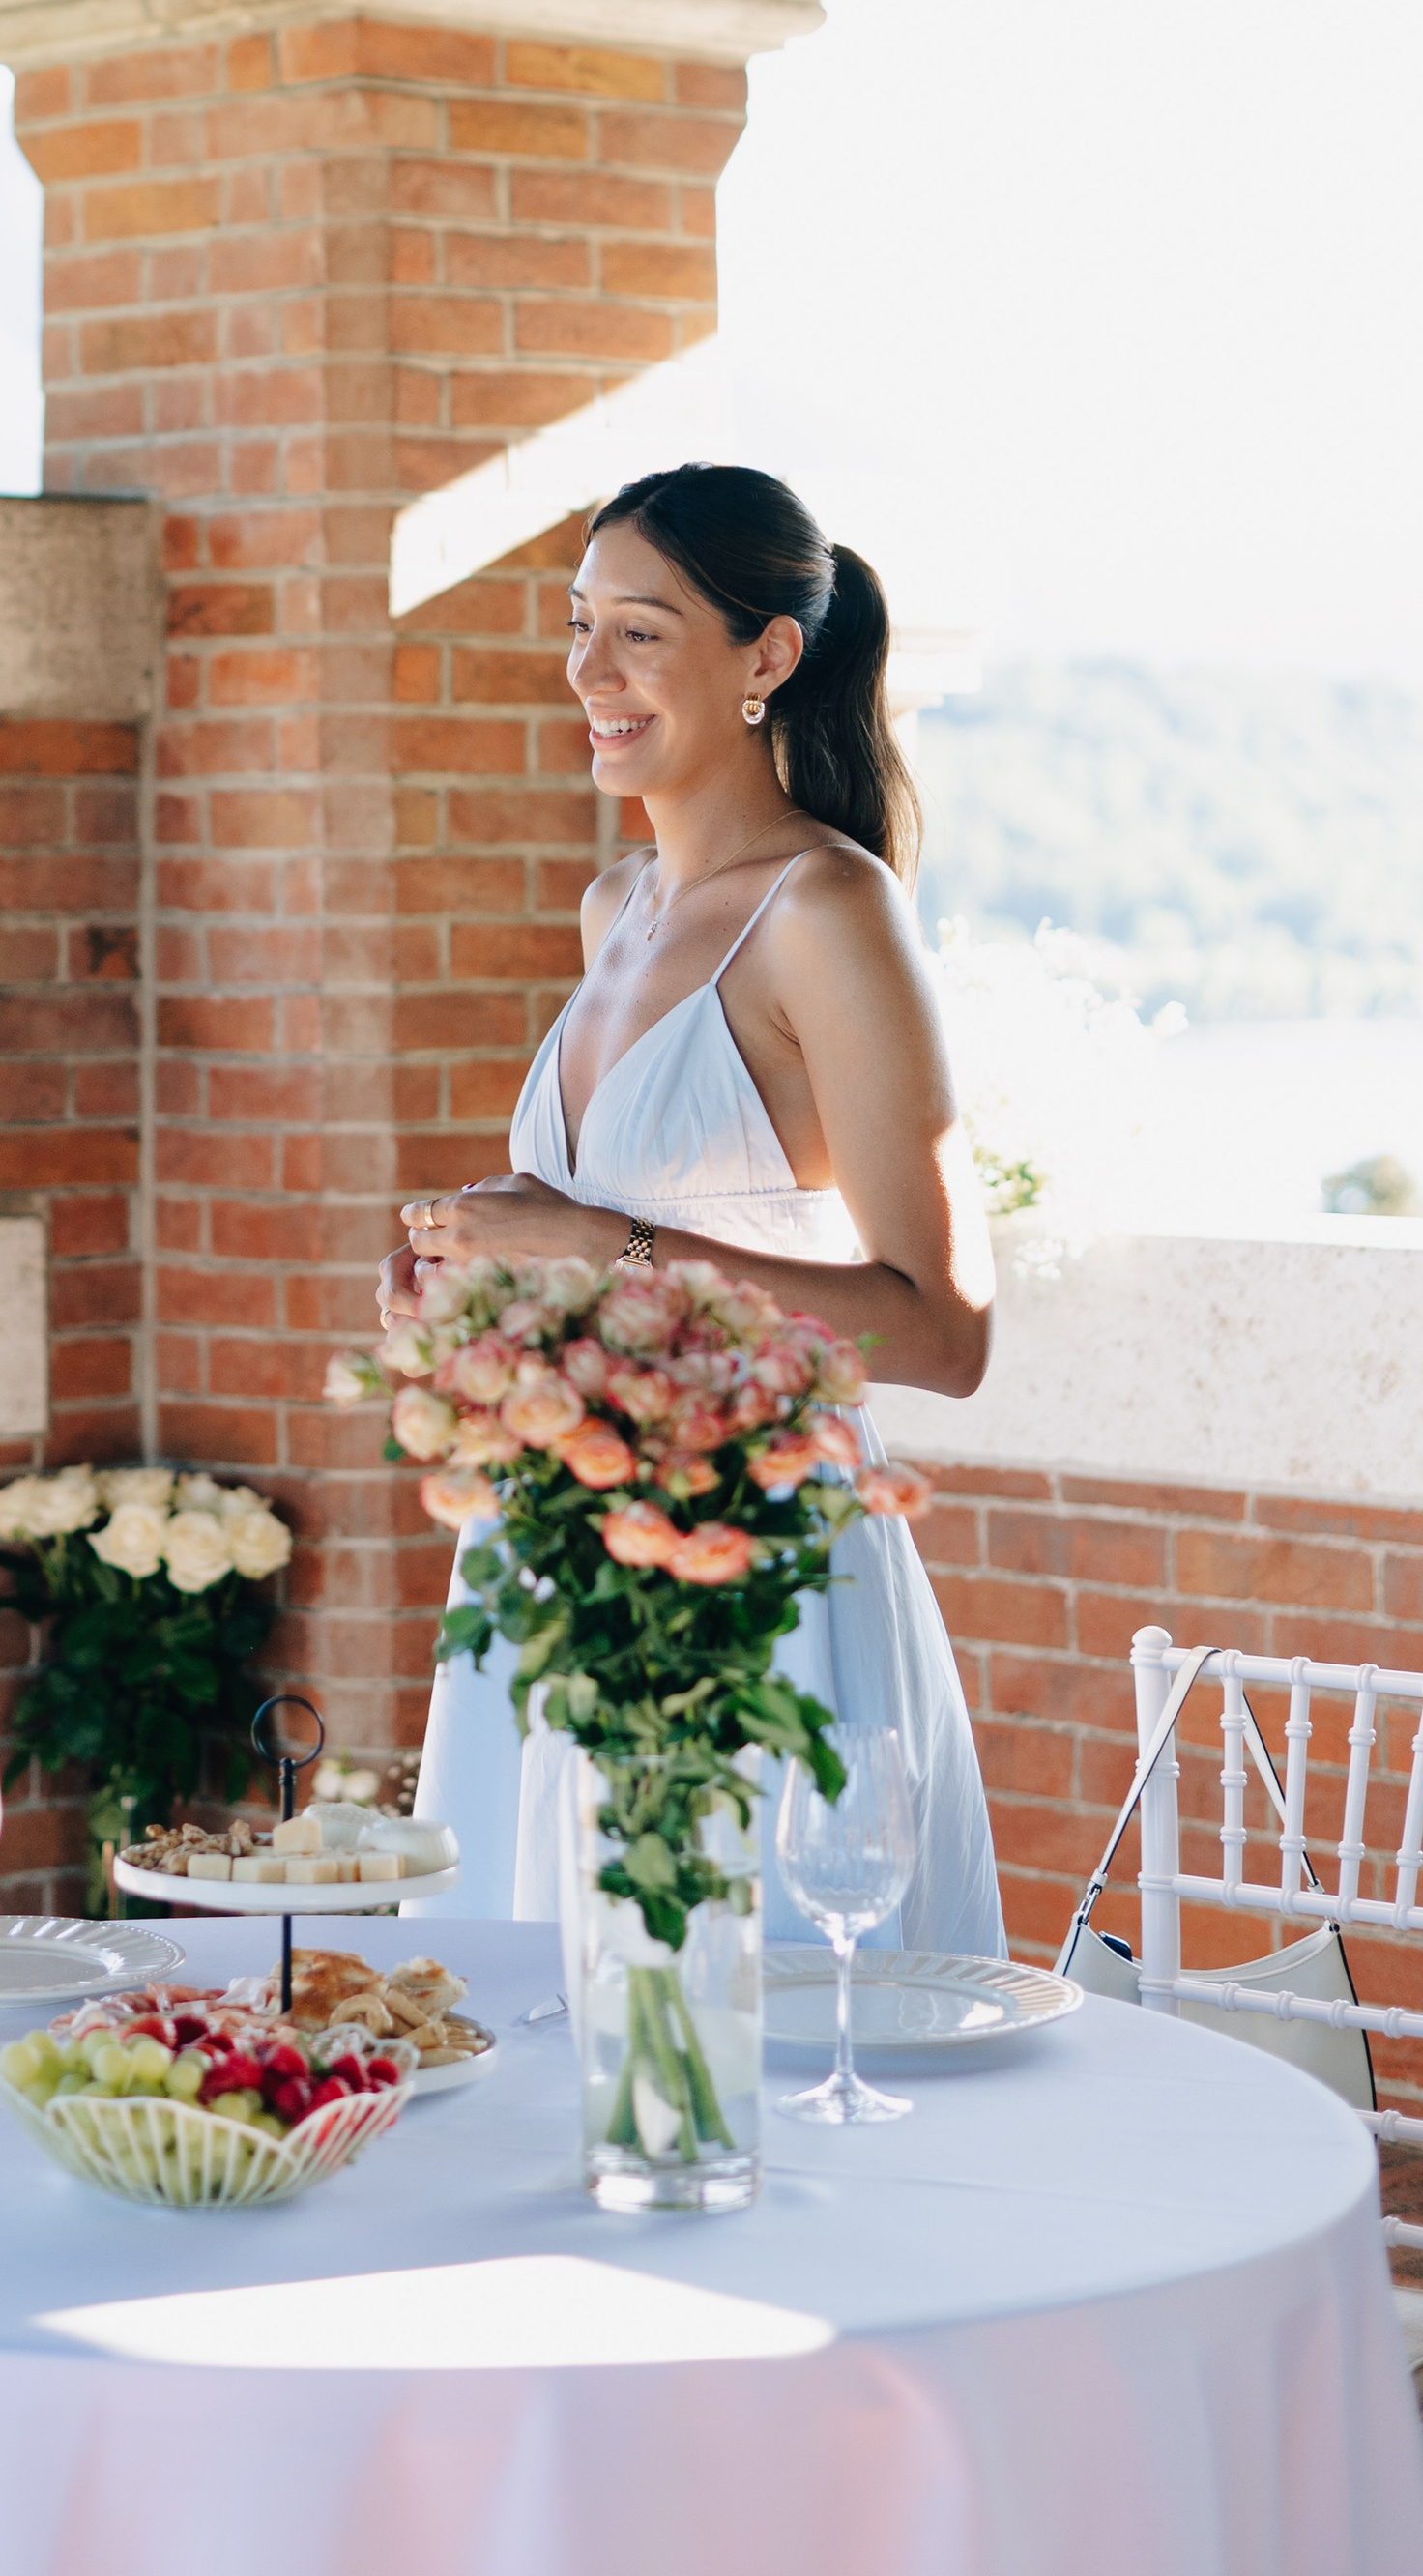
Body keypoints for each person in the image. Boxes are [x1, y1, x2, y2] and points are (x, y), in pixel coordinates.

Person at [392, 461, 1003, 1955]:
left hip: (755, 1579)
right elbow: (603, 1242)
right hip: (559, 1553)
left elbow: (944, 1332)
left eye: (641, 633)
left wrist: (603, 1248)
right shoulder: (620, 907)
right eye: (580, 624)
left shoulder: (829, 913)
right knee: (546, 2019)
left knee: (745, 2024)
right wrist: (485, 1282)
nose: (587, 671)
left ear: (768, 658)